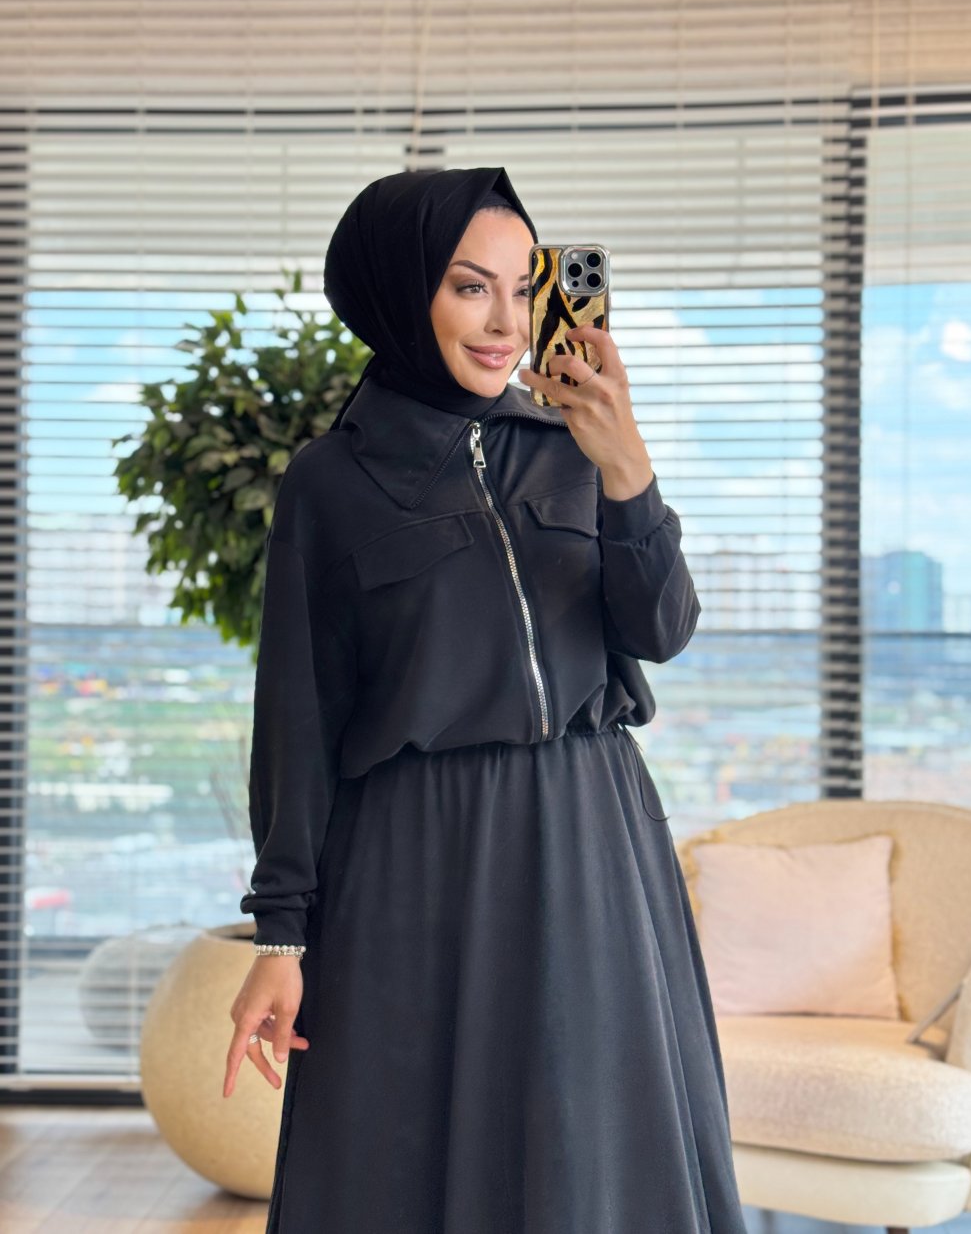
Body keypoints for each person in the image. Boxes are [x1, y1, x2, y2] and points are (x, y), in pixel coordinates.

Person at [223, 165, 748, 1234]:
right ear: (398, 291)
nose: (507, 322)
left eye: (523, 286)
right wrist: (280, 936)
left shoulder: (571, 445)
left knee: (597, 1147)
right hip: (416, 856)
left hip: (592, 839)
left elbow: (662, 629)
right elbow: (299, 717)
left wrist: (626, 468)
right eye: (471, 287)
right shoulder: (332, 482)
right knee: (404, 1152)